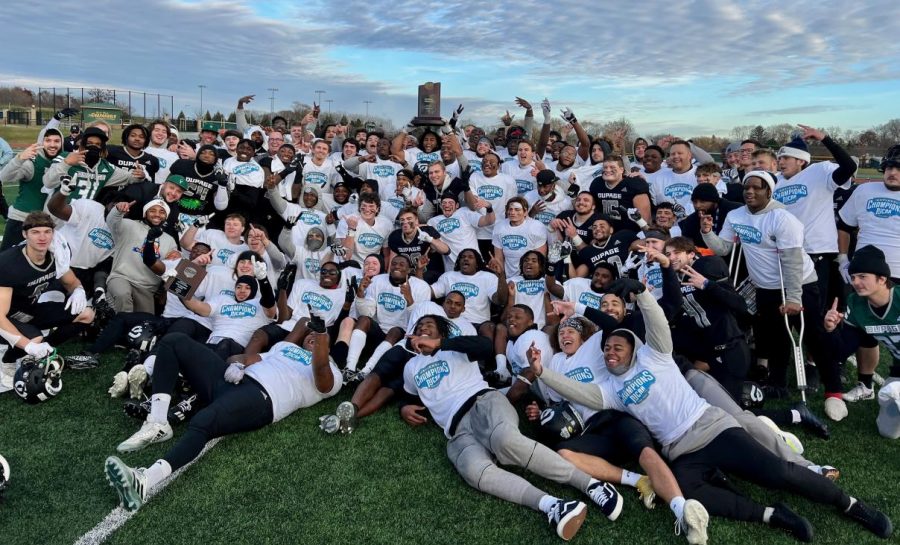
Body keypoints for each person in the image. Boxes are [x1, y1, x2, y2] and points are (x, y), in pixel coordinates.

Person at [527, 283, 893, 541]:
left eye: (618, 346)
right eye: (607, 348)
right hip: (682, 453)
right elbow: (579, 391)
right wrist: (543, 374)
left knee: (777, 472)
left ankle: (852, 506)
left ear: (634, 348)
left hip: (712, 429)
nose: (611, 351)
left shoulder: (656, 357)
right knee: (690, 493)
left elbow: (654, 323)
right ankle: (770, 515)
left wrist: (640, 293)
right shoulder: (611, 390)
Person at [400, 315, 625, 541]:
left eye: (429, 325)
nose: (422, 328)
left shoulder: (455, 347)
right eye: (418, 327)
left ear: (442, 332)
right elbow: (408, 393)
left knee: (505, 441)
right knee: (474, 472)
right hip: (456, 429)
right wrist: (403, 407)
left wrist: (440, 345)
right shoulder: (411, 366)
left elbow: (486, 347)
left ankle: (592, 485)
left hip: (482, 403)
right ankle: (553, 506)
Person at [105, 324, 341, 512]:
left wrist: (321, 334)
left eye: (319, 338)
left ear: (327, 346)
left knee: (204, 421)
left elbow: (320, 371)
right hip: (234, 381)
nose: (312, 337)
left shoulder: (332, 373)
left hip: (261, 398)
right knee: (174, 342)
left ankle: (145, 481)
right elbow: (245, 358)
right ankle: (158, 422)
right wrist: (237, 363)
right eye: (310, 335)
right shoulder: (283, 348)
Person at [701, 170, 847, 421]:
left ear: (769, 191)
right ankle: (778, 384)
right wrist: (707, 233)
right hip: (765, 288)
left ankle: (833, 392)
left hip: (799, 284)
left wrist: (793, 298)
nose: (750, 191)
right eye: (747, 187)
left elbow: (791, 262)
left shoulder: (783, 218)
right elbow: (724, 248)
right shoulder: (736, 215)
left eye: (757, 187)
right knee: (774, 337)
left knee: (814, 336)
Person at [0, 212, 94, 375]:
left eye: (47, 231)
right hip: (8, 315)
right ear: (25, 234)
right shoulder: (9, 263)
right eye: (35, 232)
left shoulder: (56, 254)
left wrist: (78, 291)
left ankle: (44, 349)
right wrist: (29, 345)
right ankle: (8, 361)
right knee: (33, 340)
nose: (42, 237)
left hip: (30, 308)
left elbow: (71, 282)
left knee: (87, 314)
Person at [823, 245, 900, 437]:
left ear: (882, 278)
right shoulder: (856, 304)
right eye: (853, 276)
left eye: (863, 276)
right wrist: (831, 329)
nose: (855, 282)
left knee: (893, 391)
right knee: (887, 431)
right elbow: (840, 351)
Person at [105, 198, 178, 313]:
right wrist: (118, 210)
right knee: (122, 295)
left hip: (147, 288)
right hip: (121, 277)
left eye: (162, 212)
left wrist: (175, 257)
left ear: (166, 217)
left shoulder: (170, 240)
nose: (157, 214)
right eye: (152, 210)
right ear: (145, 213)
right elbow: (111, 221)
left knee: (145, 321)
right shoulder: (129, 225)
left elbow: (169, 267)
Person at [0, 129, 67, 250]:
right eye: (48, 140)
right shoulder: (32, 162)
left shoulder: (65, 162)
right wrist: (19, 158)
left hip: (48, 224)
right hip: (22, 220)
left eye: (57, 141)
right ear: (41, 142)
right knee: (8, 261)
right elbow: (4, 177)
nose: (52, 144)